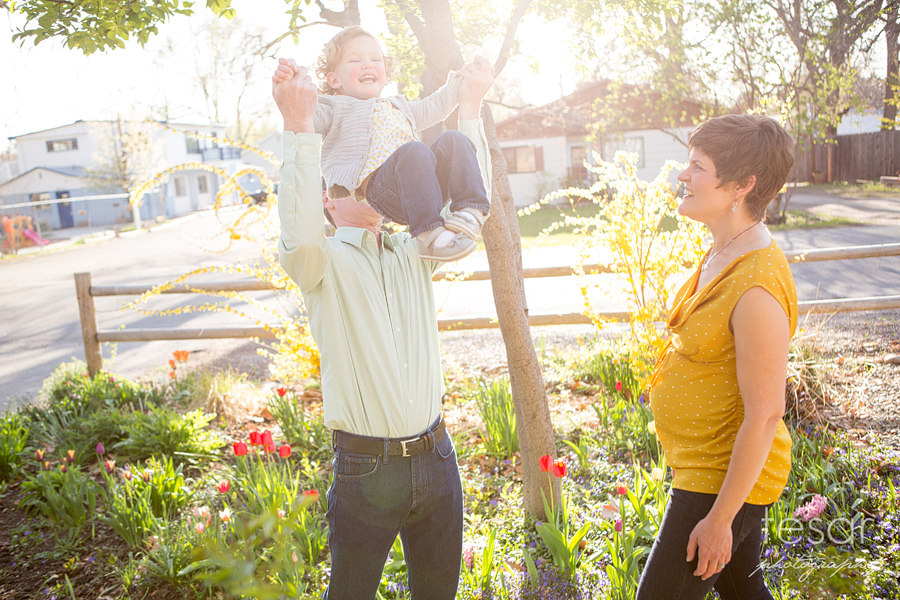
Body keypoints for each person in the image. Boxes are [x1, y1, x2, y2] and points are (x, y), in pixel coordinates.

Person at [271, 49, 493, 599]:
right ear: (328, 200)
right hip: (368, 471)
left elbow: (468, 208)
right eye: (349, 186)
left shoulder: (413, 251)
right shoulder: (322, 262)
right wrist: (297, 126)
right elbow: (297, 235)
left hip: (439, 460)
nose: (368, 187)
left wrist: (469, 108)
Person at [636, 114, 797, 600]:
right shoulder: (722, 252)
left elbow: (766, 413)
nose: (683, 176)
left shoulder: (756, 288)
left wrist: (721, 519)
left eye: (696, 166)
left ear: (741, 186)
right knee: (744, 593)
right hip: (702, 467)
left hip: (720, 481)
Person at [272, 26, 492, 261]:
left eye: (375, 59)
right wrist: (292, 89)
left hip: (423, 186)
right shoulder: (334, 107)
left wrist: (460, 80)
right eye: (355, 60)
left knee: (453, 139)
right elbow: (305, 118)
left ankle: (470, 209)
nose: (367, 64)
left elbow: (436, 105)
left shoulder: (399, 106)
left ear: (386, 74)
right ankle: (428, 234)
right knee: (415, 151)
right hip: (384, 190)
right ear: (334, 79)